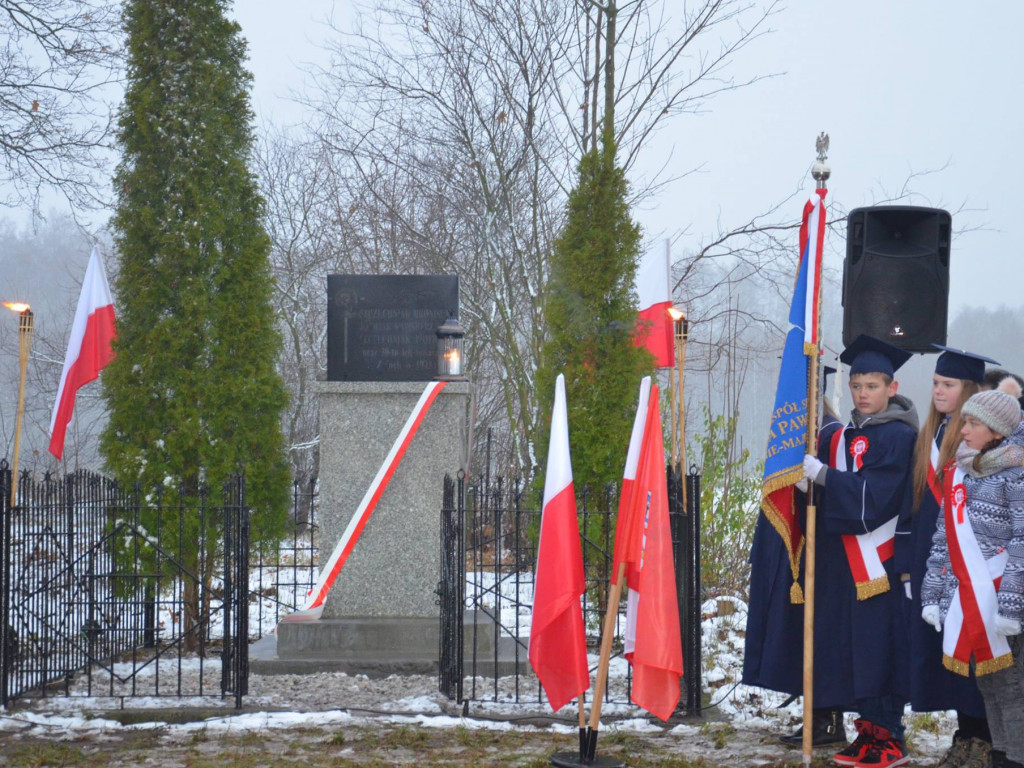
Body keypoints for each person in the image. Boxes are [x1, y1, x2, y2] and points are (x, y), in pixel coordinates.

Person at [802, 335, 918, 768]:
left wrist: (827, 478)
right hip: (850, 563)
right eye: (857, 385)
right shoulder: (848, 434)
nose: (863, 394)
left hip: (882, 560)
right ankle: (867, 730)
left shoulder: (900, 437)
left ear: (892, 386)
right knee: (860, 646)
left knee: (882, 646)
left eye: (872, 386)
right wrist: (810, 485)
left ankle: (891, 735)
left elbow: (880, 496)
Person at [743, 366, 848, 748]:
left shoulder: (832, 434)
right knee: (798, 634)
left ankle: (827, 718)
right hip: (791, 550)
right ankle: (814, 715)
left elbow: (843, 490)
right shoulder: (788, 436)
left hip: (823, 551)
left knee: (821, 634)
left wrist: (815, 486)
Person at [900, 346, 995, 768]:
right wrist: (907, 564)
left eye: (949, 385)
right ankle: (965, 733)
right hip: (933, 557)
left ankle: (985, 736)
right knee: (949, 648)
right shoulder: (930, 436)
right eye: (936, 383)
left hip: (972, 560)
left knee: (976, 648)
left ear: (970, 390)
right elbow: (913, 505)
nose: (938, 391)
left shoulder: (981, 441)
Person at [921, 390, 1024, 768]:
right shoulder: (962, 469)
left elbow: (1022, 541)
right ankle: (1000, 754)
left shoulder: (1018, 472)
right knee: (988, 685)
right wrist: (933, 595)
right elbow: (944, 538)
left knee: (1014, 688)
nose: (962, 430)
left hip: (1006, 599)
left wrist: (1012, 605)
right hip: (971, 600)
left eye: (972, 424)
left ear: (996, 431)